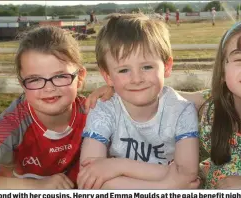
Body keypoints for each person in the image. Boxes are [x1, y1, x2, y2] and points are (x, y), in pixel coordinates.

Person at [86, 7, 241, 190]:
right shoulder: (208, 104)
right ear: (223, 67)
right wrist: (115, 89)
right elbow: (156, 95)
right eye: (240, 59)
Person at [77, 14, 199, 189]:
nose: (137, 79)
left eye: (147, 67)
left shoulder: (182, 110)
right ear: (107, 76)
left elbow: (188, 175)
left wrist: (117, 166)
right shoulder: (103, 109)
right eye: (124, 70)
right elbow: (89, 177)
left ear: (167, 66)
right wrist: (168, 185)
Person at [0, 26, 88, 189]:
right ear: (22, 84)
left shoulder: (95, 111)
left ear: (80, 78)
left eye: (59, 76)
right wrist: (36, 187)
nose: (48, 88)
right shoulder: (11, 123)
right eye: (35, 79)